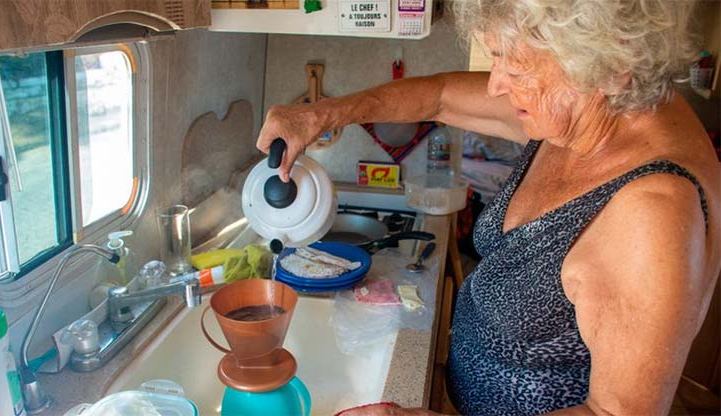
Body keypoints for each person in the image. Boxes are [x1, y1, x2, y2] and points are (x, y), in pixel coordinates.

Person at [256, 0, 721, 414]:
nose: (495, 85)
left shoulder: (652, 211)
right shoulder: (592, 109)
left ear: (609, 62)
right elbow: (439, 96)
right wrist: (323, 114)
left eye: (515, 68)